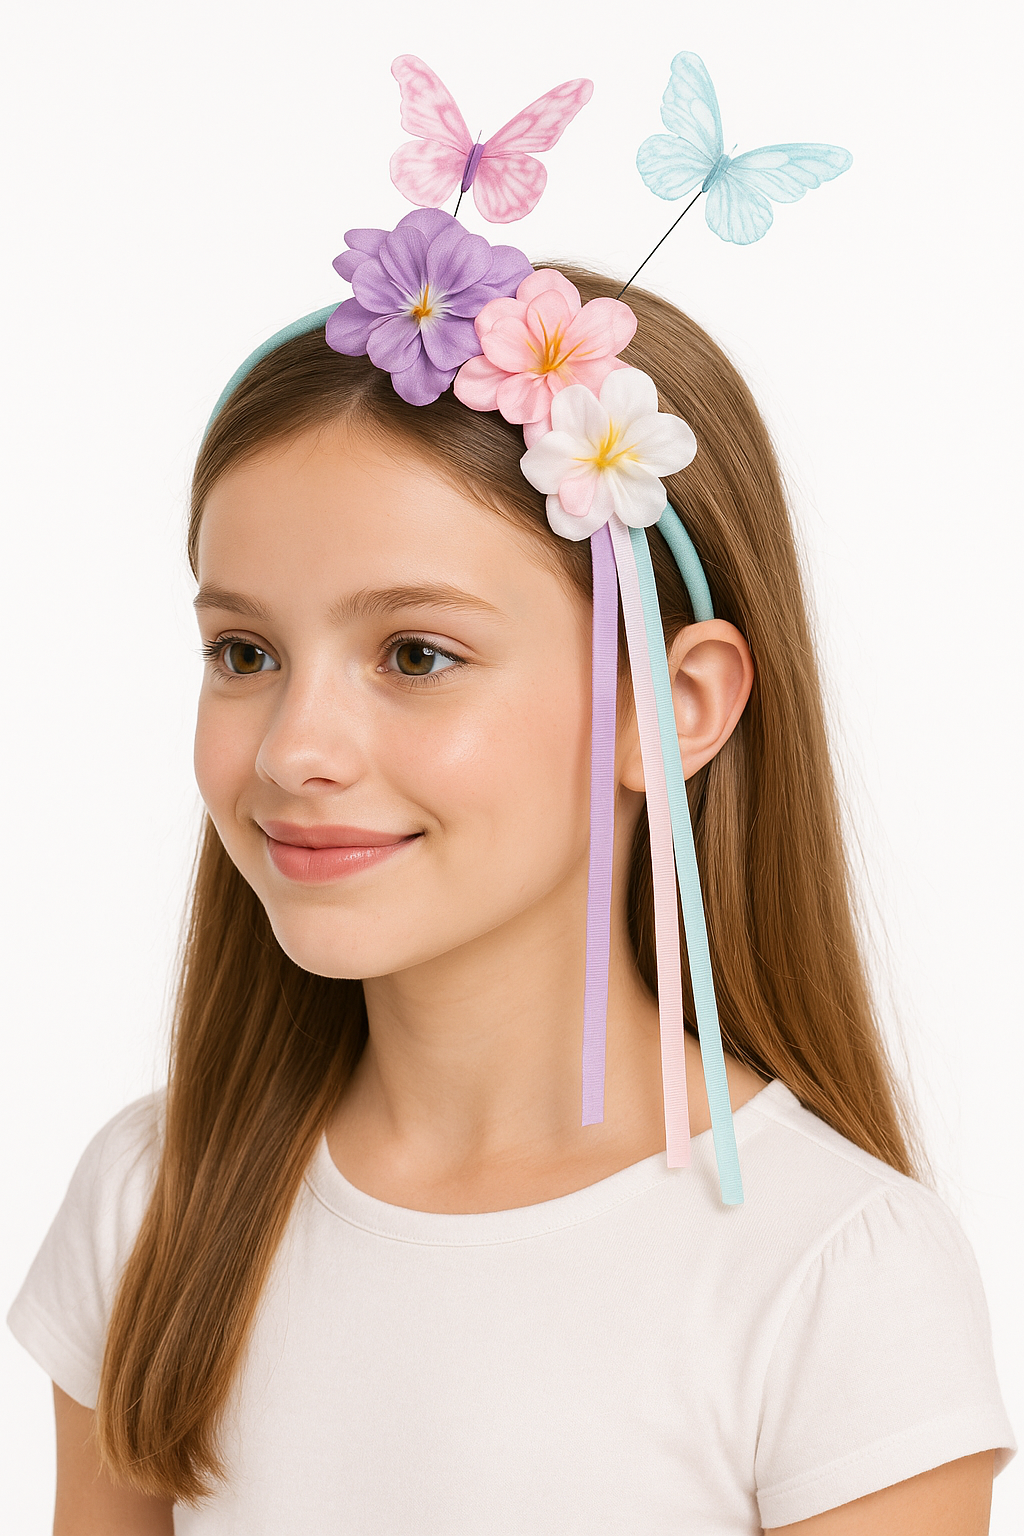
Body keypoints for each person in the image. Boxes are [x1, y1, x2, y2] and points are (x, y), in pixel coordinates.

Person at [7, 262, 1015, 1535]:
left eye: (416, 654)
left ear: (670, 707)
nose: (293, 749)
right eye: (244, 652)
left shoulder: (832, 1275)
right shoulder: (155, 1201)